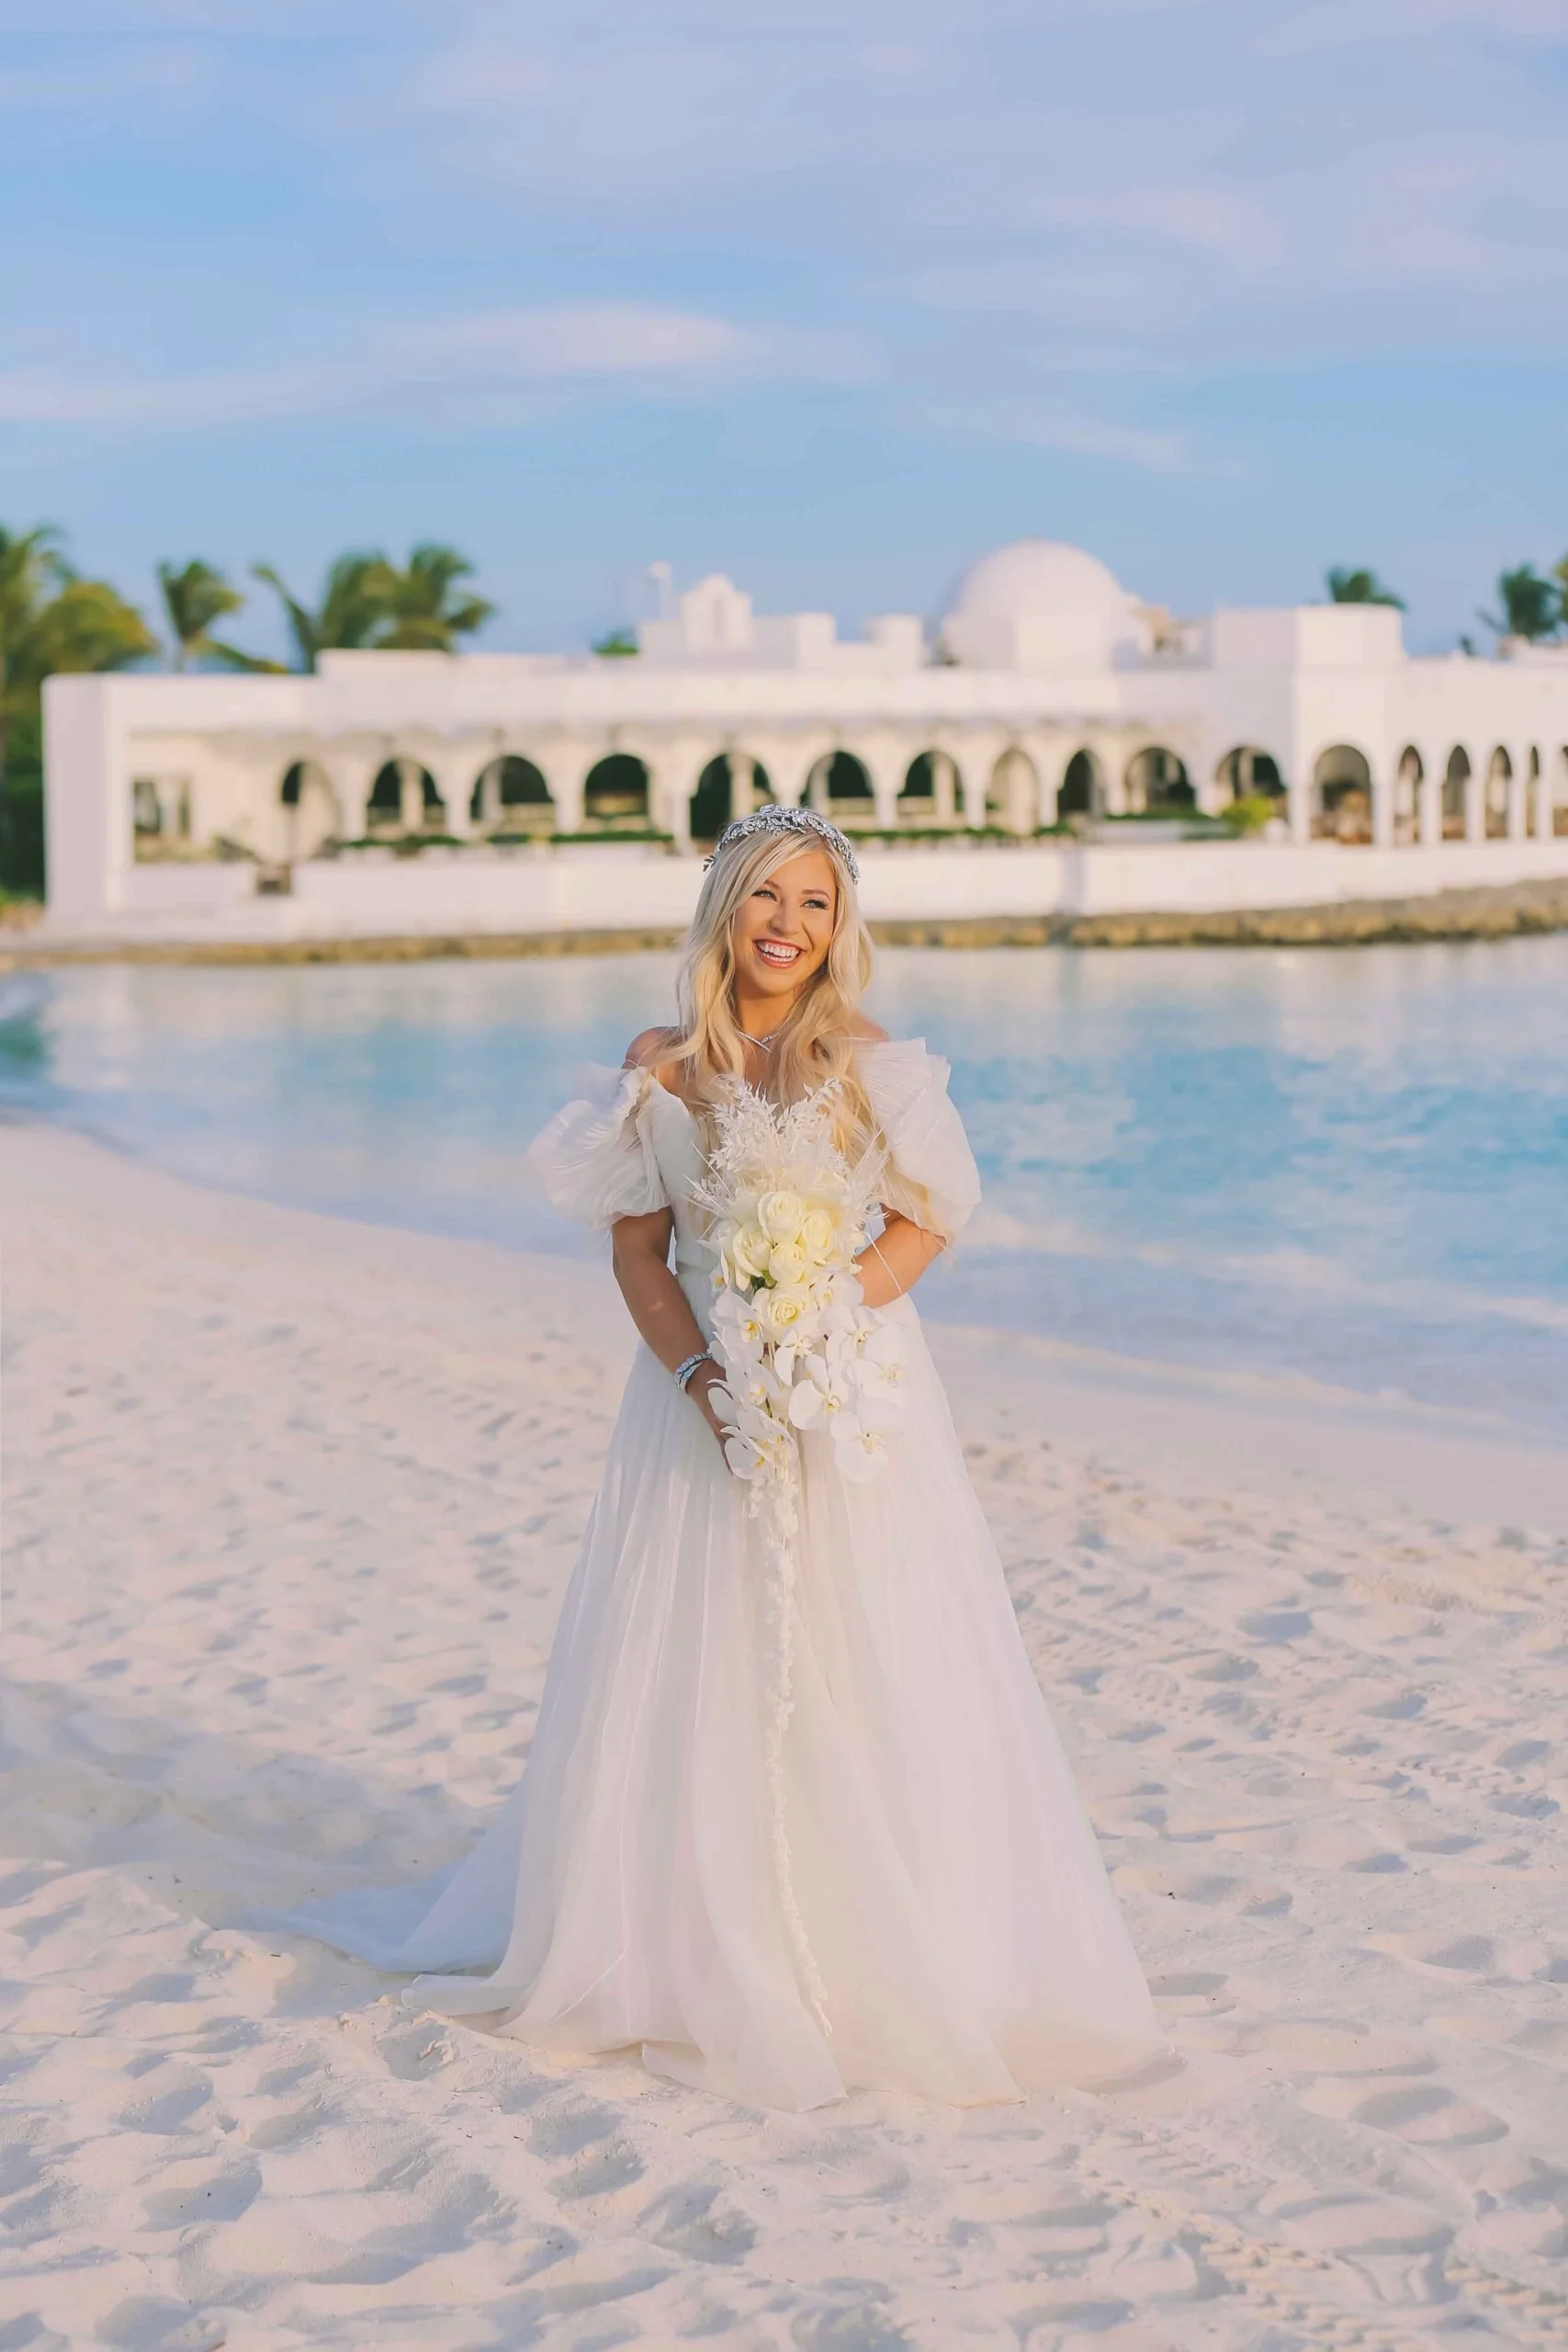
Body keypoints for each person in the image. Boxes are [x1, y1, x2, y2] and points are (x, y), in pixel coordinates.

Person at [273, 805, 1164, 2109]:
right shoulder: (661, 1064)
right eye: (764, 899)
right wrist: (706, 1375)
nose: (786, 927)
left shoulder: (867, 1060)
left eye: (812, 904)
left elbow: (930, 1219)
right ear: (723, 909)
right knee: (701, 1651)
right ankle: (689, 1939)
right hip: (696, 1391)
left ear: (838, 926)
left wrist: (825, 1322)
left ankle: (879, 1941)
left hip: (847, 1387)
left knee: (863, 1650)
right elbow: (638, 1249)